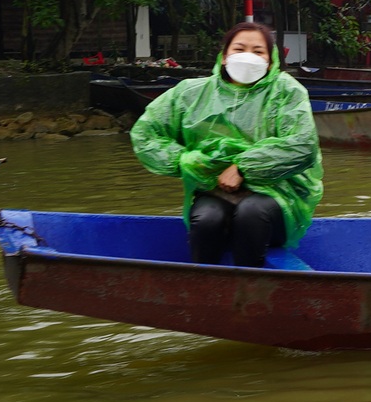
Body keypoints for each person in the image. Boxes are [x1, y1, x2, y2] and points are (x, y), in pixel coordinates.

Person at [130, 21, 322, 268]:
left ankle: (251, 290)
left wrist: (243, 168)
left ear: (271, 61)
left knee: (251, 213)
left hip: (279, 194)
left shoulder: (286, 91)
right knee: (207, 220)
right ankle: (207, 288)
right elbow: (146, 133)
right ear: (223, 56)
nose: (247, 57)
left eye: (258, 51)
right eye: (239, 49)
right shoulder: (191, 93)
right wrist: (186, 161)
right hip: (213, 190)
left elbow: (303, 145)